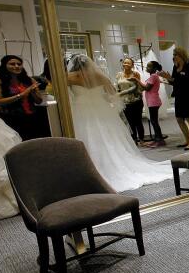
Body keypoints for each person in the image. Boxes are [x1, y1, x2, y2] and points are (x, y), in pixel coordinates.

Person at [66, 54, 171, 192]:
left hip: (80, 110)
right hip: (101, 109)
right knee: (109, 138)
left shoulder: (69, 77)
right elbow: (112, 94)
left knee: (87, 138)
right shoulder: (100, 76)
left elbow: (65, 96)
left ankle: (90, 171)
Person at [0, 55, 49, 140]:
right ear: (4, 65)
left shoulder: (29, 80)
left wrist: (33, 92)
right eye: (12, 64)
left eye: (19, 64)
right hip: (10, 117)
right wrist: (22, 94)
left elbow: (39, 101)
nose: (16, 66)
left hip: (30, 116)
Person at [160, 47, 189, 150]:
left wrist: (174, 79)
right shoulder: (175, 67)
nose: (174, 57)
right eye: (173, 55)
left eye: (175, 55)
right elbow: (174, 82)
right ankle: (187, 140)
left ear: (181, 55)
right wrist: (168, 78)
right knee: (179, 119)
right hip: (179, 96)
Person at [133, 61, 165, 146]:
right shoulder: (153, 76)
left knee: (154, 121)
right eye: (147, 66)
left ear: (154, 68)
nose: (147, 68)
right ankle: (158, 138)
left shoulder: (153, 76)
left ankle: (159, 139)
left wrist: (137, 80)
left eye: (149, 67)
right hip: (153, 100)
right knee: (154, 121)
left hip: (153, 101)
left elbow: (146, 88)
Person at [116, 58, 145, 144]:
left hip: (136, 100)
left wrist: (122, 93)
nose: (126, 64)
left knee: (138, 121)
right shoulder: (119, 75)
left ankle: (142, 139)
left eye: (128, 63)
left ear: (132, 65)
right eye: (125, 63)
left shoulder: (135, 74)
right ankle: (134, 139)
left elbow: (136, 87)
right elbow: (117, 86)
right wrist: (117, 93)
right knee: (129, 121)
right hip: (125, 102)